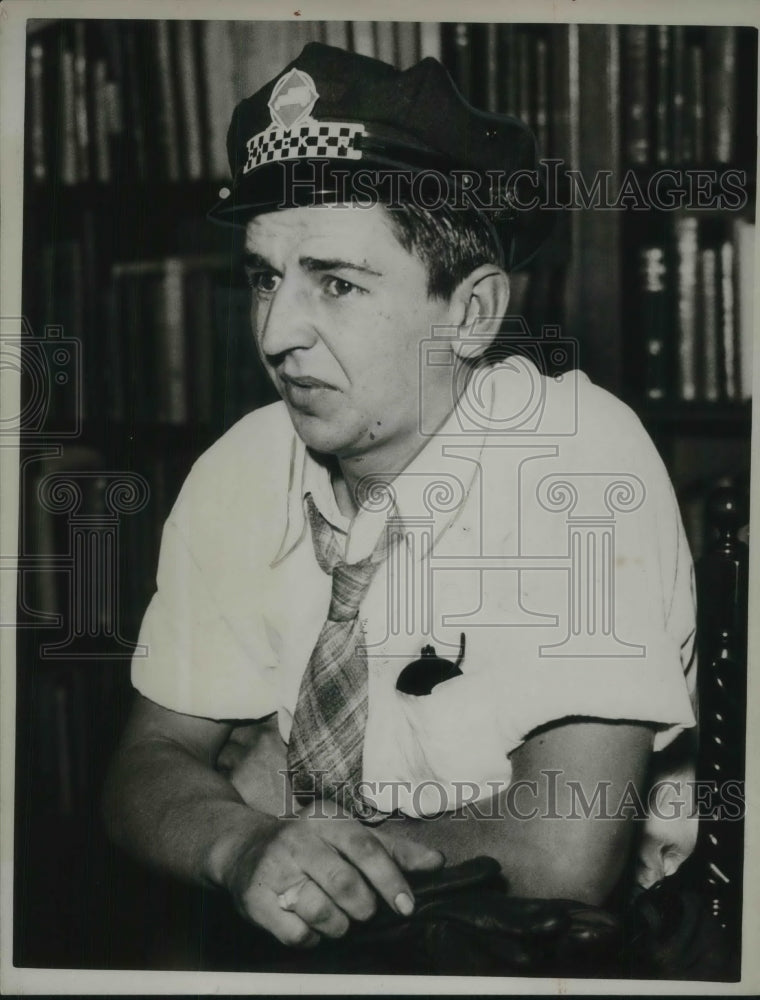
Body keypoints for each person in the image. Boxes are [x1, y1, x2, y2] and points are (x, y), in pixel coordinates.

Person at [103, 42, 699, 974]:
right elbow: (144, 768)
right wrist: (241, 844)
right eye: (265, 277)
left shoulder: (576, 460)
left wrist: (291, 822)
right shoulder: (240, 466)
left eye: (336, 284)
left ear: (470, 314)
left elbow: (562, 854)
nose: (276, 333)